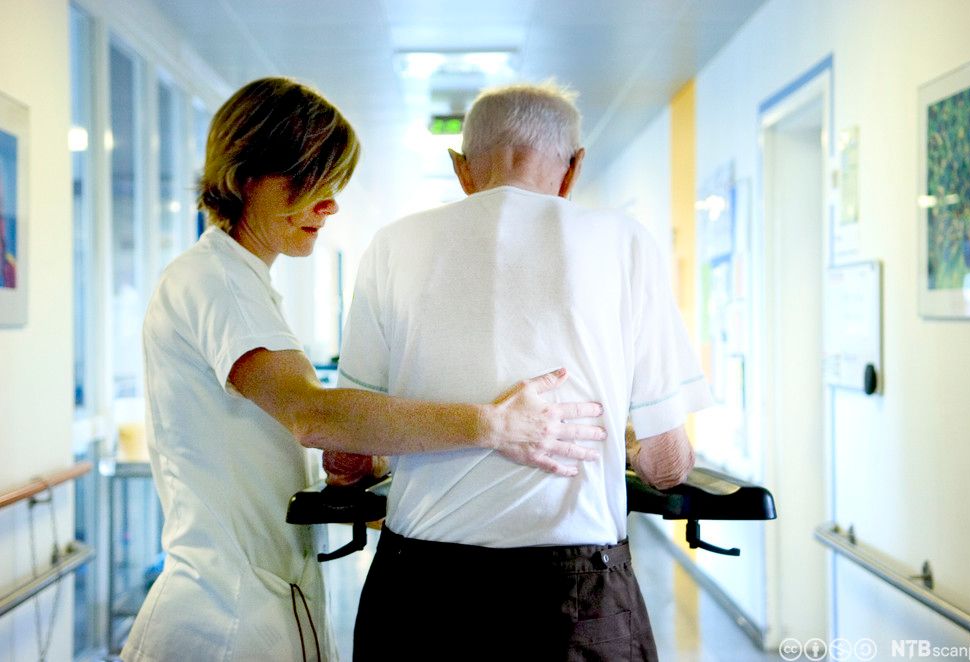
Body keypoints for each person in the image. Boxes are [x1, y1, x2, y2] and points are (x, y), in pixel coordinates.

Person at [121, 77, 607, 662]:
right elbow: (311, 413)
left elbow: (280, 437)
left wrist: (374, 462)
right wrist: (496, 425)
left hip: (266, 594)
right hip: (223, 619)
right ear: (245, 176)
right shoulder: (215, 282)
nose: (329, 205)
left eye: (334, 184)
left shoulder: (243, 282)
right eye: (309, 182)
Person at [334, 81, 715, 661]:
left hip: (419, 595)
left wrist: (403, 451)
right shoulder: (623, 243)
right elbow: (667, 465)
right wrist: (625, 443)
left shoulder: (392, 246)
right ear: (574, 169)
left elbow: (345, 454)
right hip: (573, 596)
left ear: (461, 169)